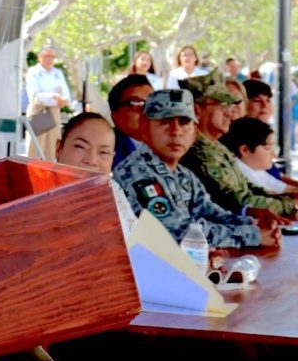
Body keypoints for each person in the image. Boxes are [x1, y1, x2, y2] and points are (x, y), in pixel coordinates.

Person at [112, 90, 274, 248]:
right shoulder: (136, 173)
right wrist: (253, 235)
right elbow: (175, 233)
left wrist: (254, 224)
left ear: (194, 132)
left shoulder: (183, 174)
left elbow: (211, 213)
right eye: (165, 121)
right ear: (145, 129)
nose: (176, 131)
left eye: (184, 122)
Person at [178, 74, 294, 220]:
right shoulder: (197, 152)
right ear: (197, 109)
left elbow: (249, 187)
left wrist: (289, 198)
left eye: (230, 106)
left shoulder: (217, 147)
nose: (229, 112)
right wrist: (288, 204)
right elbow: (237, 201)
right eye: (222, 106)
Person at [56, 112, 136, 237]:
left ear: (112, 158)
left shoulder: (113, 191)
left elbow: (133, 236)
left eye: (103, 152)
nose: (92, 160)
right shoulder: (36, 189)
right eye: (80, 146)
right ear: (58, 149)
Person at [220, 117, 295, 195]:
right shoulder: (240, 172)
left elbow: (286, 189)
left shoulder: (256, 168)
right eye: (267, 148)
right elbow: (271, 198)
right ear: (245, 150)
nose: (274, 155)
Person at [25, 46, 70, 160]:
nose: (50, 59)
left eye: (52, 57)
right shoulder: (33, 72)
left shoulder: (58, 73)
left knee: (52, 149)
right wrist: (54, 96)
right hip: (39, 111)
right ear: (40, 57)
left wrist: (63, 100)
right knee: (36, 149)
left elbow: (66, 95)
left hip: (54, 111)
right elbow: (34, 95)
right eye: (47, 56)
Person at [107, 74, 154, 167]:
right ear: (115, 116)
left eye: (151, 103)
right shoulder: (107, 151)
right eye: (136, 103)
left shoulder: (169, 146)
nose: (146, 110)